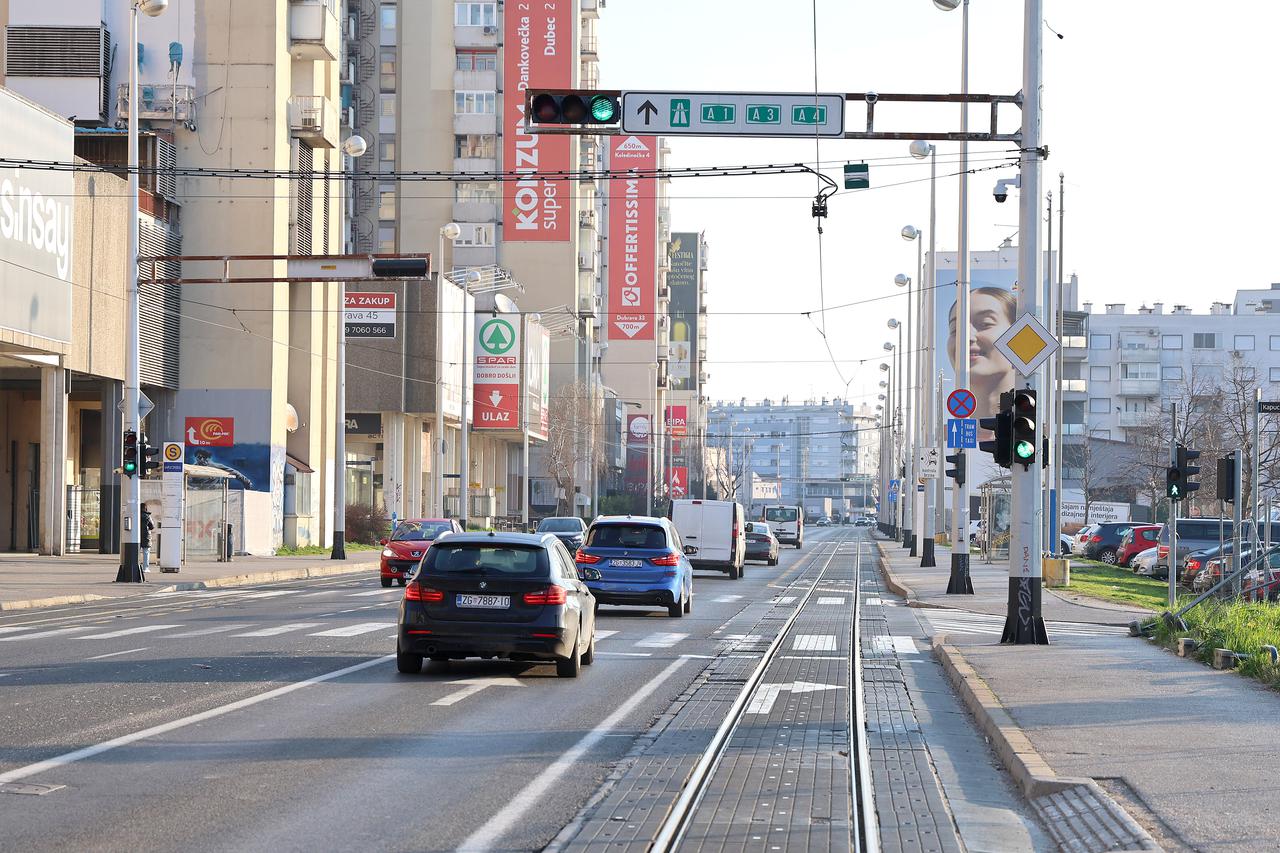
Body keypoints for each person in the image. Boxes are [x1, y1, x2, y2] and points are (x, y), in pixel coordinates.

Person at [946, 286, 1017, 432]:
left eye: (985, 324)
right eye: (955, 329)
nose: (966, 337)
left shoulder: (1032, 427)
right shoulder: (947, 435)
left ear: (1017, 336)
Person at [140, 503, 155, 574]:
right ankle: (145, 568)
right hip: (146, 536)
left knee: (136, 552)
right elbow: (152, 526)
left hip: (137, 536)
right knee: (146, 552)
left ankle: (137, 567)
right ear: (145, 508)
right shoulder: (147, 516)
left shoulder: (136, 515)